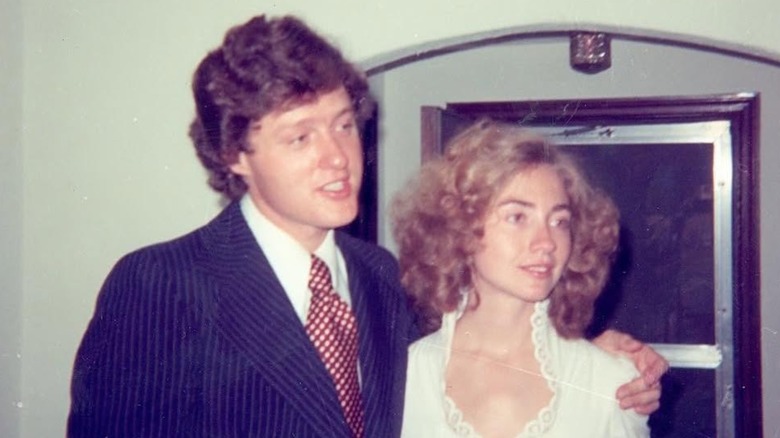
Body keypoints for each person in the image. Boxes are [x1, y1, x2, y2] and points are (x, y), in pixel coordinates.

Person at [68, 15, 664, 438]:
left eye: (344, 125)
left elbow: (478, 349)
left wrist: (596, 358)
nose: (337, 156)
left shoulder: (379, 278)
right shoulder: (162, 284)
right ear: (234, 155)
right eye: (301, 136)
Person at [394, 120, 652, 437]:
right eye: (518, 217)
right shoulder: (403, 378)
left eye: (559, 221)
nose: (546, 242)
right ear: (459, 227)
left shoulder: (610, 382)